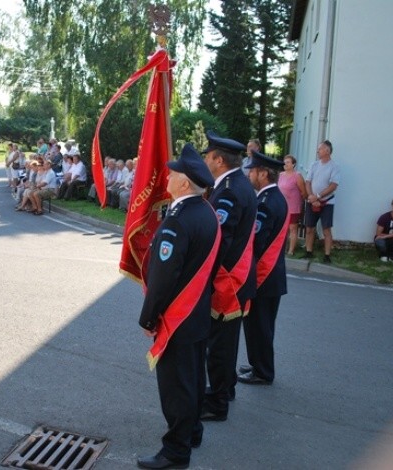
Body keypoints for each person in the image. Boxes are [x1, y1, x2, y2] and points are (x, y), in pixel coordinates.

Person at [137, 143, 220, 470]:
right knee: (194, 380)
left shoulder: (177, 220)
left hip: (179, 317)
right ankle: (193, 431)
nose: (167, 177)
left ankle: (175, 452)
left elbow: (163, 277)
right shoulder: (207, 212)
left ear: (185, 184)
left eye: (173, 174)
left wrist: (148, 317)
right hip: (198, 313)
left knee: (176, 388)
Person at [200, 130, 257, 418]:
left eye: (208, 157)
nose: (206, 161)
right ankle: (228, 388)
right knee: (227, 341)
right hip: (236, 278)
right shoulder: (236, 183)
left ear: (219, 160)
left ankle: (217, 403)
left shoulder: (230, 191)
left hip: (228, 280)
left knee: (219, 346)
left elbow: (220, 240)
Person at [237, 153, 288, 386]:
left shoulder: (266, 203)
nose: (249, 175)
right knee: (263, 325)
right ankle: (259, 364)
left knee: (260, 326)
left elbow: (257, 241)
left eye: (253, 171)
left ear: (264, 174)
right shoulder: (275, 198)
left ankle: (263, 372)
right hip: (272, 276)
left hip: (264, 275)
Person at [303, 140, 341, 263]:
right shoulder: (314, 165)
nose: (317, 151)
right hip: (312, 201)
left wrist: (318, 196)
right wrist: (311, 197)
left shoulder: (334, 167)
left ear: (327, 151)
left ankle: (327, 255)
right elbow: (308, 182)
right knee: (309, 228)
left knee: (326, 229)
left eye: (320, 149)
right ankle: (308, 252)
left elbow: (333, 185)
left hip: (327, 202)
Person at [278, 154, 307, 256]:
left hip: (293, 207)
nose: (285, 164)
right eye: (284, 162)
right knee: (283, 229)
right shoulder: (281, 175)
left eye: (288, 162)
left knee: (293, 228)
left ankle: (291, 250)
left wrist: (300, 201)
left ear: (293, 164)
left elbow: (303, 192)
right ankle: (282, 248)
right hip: (282, 207)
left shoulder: (297, 176)